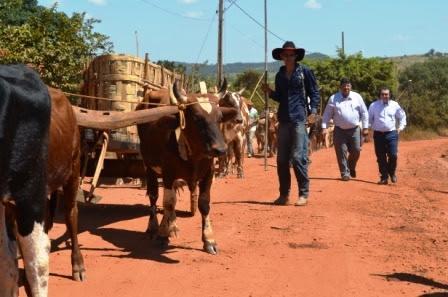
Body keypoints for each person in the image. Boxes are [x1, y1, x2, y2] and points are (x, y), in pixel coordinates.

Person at [262, 41, 320, 206]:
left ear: (296, 56)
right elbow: (280, 96)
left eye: (291, 55)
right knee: (281, 159)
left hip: (299, 118)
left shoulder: (305, 72)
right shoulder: (280, 75)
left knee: (298, 157)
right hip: (284, 118)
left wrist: (313, 111)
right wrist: (270, 92)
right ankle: (284, 195)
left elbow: (314, 92)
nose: (288, 57)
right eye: (285, 55)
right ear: (281, 56)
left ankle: (303, 193)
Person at [321, 78, 368, 181]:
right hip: (339, 130)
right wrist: (324, 127)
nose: (346, 88)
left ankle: (351, 167)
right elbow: (327, 114)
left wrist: (365, 127)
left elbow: (364, 112)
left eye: (348, 86)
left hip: (354, 129)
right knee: (341, 151)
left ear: (350, 87)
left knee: (356, 150)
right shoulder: (333, 98)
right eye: (344, 86)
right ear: (340, 87)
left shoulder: (357, 97)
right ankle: (344, 173)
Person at [368, 87, 406, 184]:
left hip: (392, 133)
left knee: (393, 155)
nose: (385, 96)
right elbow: (369, 119)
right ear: (380, 95)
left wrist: (400, 128)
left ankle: (392, 172)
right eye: (383, 94)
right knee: (381, 157)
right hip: (378, 134)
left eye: (387, 94)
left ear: (389, 95)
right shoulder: (373, 106)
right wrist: (368, 128)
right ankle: (384, 177)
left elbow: (402, 116)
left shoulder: (395, 105)